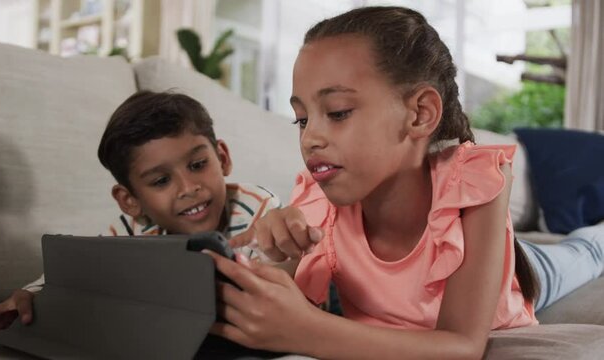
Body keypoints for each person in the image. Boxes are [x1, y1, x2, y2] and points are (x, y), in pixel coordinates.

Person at [207, 6, 604, 359]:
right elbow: (282, 301)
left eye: (339, 112)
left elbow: (462, 345)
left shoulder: (475, 183)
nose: (310, 137)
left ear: (419, 114)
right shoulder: (318, 202)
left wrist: (308, 332)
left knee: (585, 251)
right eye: (302, 119)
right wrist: (275, 257)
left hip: (519, 275)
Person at [0, 90, 281, 348]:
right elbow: (77, 278)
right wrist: (30, 299)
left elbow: (273, 289)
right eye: (160, 181)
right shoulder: (132, 230)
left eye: (197, 165)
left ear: (222, 158)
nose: (189, 188)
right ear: (130, 201)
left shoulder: (257, 208)